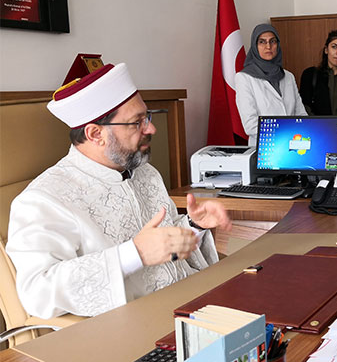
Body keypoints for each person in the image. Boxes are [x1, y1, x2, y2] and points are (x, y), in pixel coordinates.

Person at [7, 63, 231, 318]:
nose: (151, 129)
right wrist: (135, 254)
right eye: (137, 122)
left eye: (147, 117)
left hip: (193, 303)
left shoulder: (146, 173)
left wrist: (193, 225)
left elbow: (164, 248)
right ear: (95, 134)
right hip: (136, 327)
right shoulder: (43, 199)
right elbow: (38, 291)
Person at [235, 24, 307, 146]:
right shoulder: (244, 78)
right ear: (255, 46)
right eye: (262, 42)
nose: (268, 46)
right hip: (265, 147)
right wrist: (287, 134)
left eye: (272, 41)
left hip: (294, 143)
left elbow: (301, 114)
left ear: (278, 45)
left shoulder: (288, 76)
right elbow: (250, 125)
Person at [299, 29, 337, 169]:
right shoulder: (310, 74)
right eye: (334, 47)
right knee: (320, 177)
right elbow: (304, 106)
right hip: (317, 138)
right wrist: (324, 129)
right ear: (326, 50)